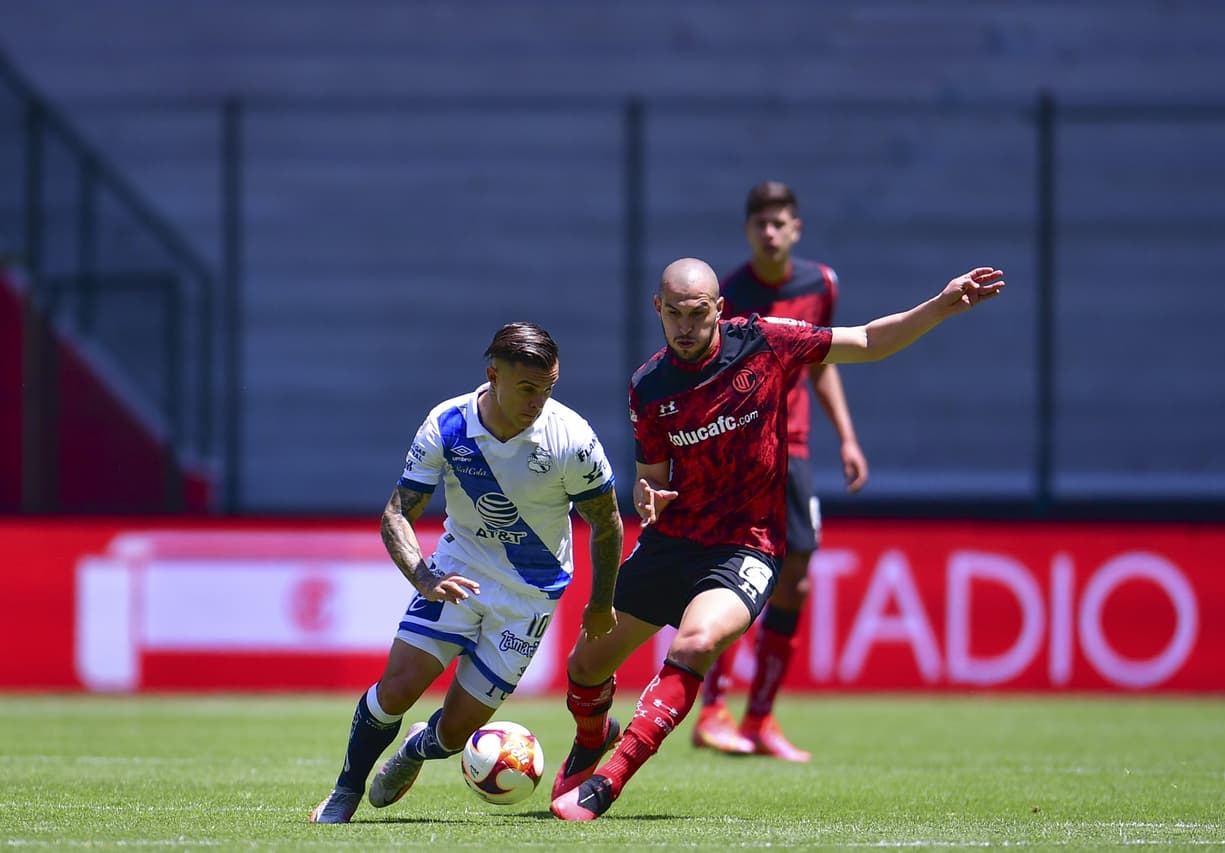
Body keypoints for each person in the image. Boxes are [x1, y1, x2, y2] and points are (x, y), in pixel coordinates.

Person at [549, 257, 1004, 821]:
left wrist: (940, 304)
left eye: (697, 314)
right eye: (675, 315)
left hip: (748, 543)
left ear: (719, 309)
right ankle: (592, 738)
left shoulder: (765, 342)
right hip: (674, 541)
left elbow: (865, 340)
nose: (686, 327)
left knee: (694, 645)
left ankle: (610, 782)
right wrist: (647, 497)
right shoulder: (648, 385)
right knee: (584, 668)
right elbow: (653, 476)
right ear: (657, 311)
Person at [310, 321, 623, 823]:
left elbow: (606, 524)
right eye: (526, 388)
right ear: (492, 375)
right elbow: (397, 513)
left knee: (455, 735)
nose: (537, 401)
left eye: (547, 389)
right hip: (457, 571)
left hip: (530, 595)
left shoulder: (571, 439)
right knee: (397, 688)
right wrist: (423, 578)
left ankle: (415, 750)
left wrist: (602, 601)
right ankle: (345, 792)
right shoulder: (447, 424)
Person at [692, 181, 868, 762]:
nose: (770, 232)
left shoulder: (822, 285)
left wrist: (846, 436)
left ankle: (760, 717)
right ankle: (711, 710)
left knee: (796, 577)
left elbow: (824, 361)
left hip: (792, 449)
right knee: (731, 572)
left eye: (780, 222)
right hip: (742, 450)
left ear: (796, 229)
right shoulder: (729, 294)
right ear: (748, 230)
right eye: (761, 223)